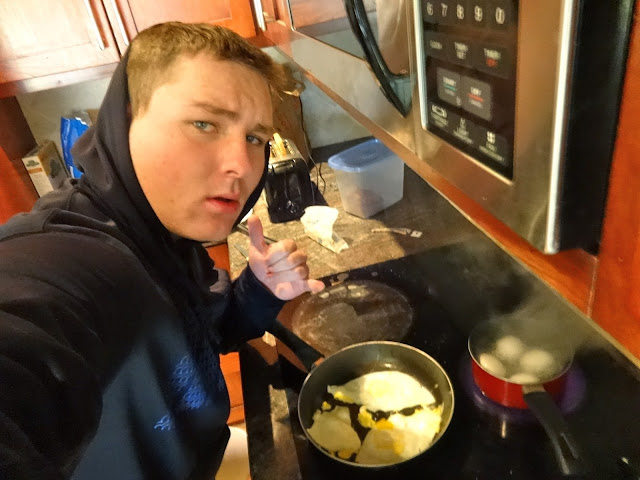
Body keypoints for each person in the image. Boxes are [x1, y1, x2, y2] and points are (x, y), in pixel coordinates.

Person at [0, 22, 324, 480]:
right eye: (204, 124)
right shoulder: (70, 257)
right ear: (126, 120)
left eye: (255, 138)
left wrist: (258, 291)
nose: (241, 164)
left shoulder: (170, 236)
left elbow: (204, 334)